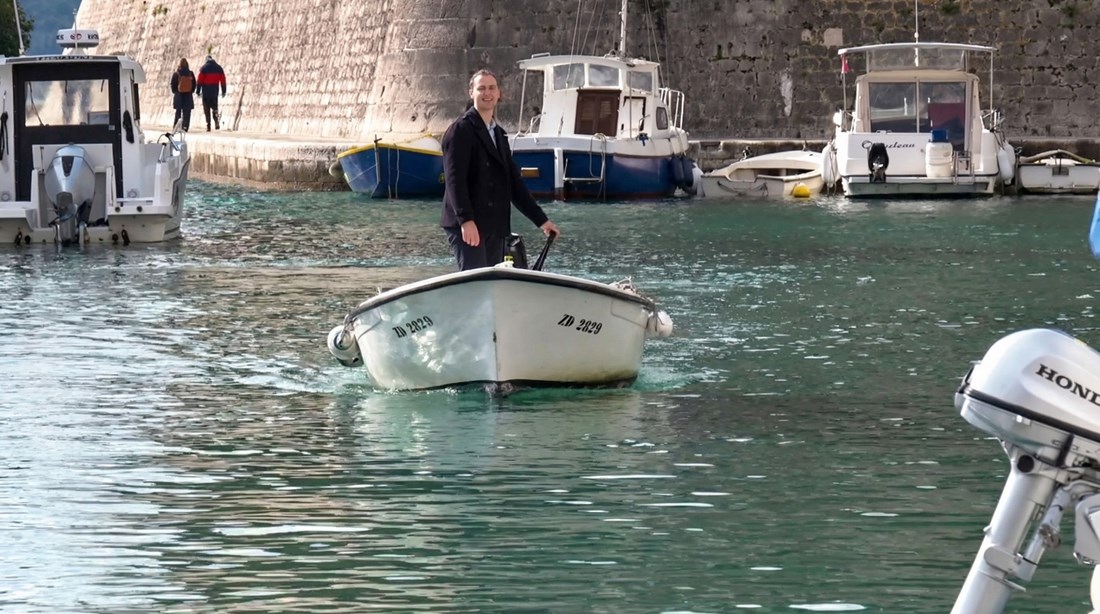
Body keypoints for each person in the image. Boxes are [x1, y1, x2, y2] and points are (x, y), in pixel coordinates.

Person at [440, 69, 560, 271]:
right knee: (476, 283)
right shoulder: (460, 130)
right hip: (468, 223)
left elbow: (513, 184)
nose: (487, 93)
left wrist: (542, 221)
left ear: (498, 93)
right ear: (471, 93)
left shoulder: (500, 134)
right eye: (481, 89)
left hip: (494, 225)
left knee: (492, 285)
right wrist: (465, 220)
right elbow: (454, 180)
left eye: (491, 88)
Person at [197, 55, 227, 131]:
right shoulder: (218, 68)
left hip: (206, 92)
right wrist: (224, 90)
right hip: (214, 91)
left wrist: (198, 91)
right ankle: (216, 121)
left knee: (206, 109)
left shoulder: (203, 68)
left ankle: (208, 125)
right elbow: (223, 79)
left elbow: (200, 80)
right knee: (215, 107)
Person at [170, 58, 196, 132]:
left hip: (179, 95)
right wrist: (191, 91)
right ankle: (185, 127)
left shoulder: (177, 74)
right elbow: (194, 84)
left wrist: (175, 92)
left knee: (178, 111)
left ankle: (176, 126)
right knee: (187, 112)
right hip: (188, 95)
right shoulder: (190, 73)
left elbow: (173, 84)